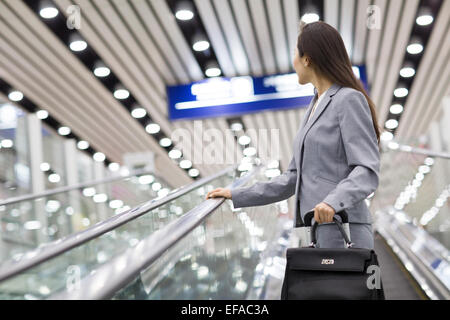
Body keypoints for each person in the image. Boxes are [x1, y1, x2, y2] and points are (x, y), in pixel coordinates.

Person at [206, 21, 380, 250]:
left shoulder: (348, 99)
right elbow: (291, 179)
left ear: (307, 58)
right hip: (318, 233)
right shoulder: (314, 107)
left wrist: (332, 201)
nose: (294, 61)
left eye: (295, 54)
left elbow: (366, 170)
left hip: (345, 231)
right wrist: (235, 194)